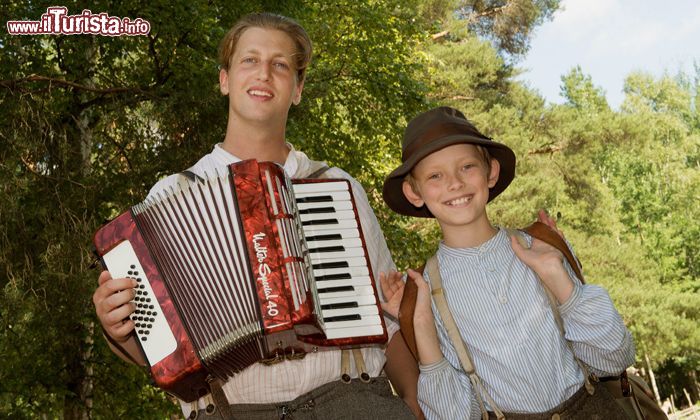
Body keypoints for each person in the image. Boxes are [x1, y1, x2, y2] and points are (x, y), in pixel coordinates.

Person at [92, 12, 417, 419]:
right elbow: (149, 352)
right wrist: (114, 326)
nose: (263, 73)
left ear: (297, 89)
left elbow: (389, 321)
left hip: (350, 399)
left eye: (280, 65)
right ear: (225, 79)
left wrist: (416, 402)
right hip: (229, 409)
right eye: (249, 60)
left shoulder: (334, 186)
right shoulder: (171, 195)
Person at [379, 106, 636, 419]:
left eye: (467, 167)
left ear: (491, 172)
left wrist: (558, 278)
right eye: (435, 175)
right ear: (414, 192)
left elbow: (614, 358)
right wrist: (419, 325)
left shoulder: (542, 245)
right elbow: (456, 415)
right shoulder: (424, 291)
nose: (455, 183)